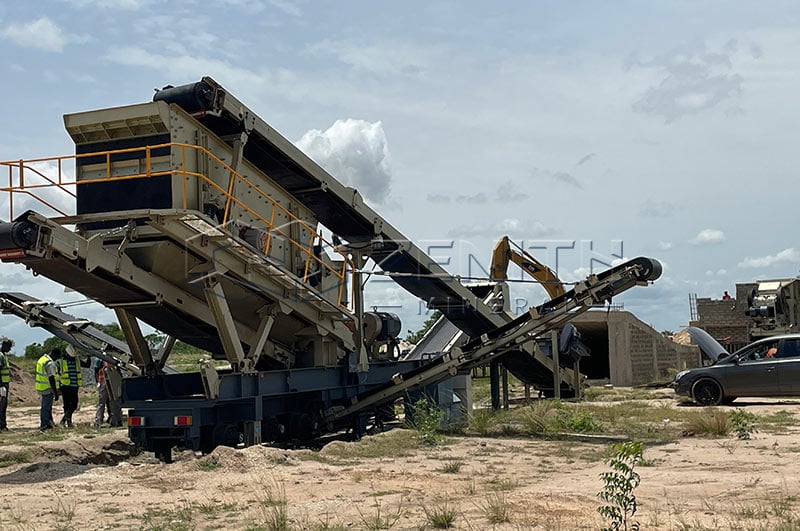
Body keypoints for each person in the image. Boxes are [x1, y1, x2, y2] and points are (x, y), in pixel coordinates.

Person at [58, 346, 86, 428]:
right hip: (65, 386)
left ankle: (64, 420)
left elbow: (87, 365)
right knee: (66, 405)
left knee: (74, 404)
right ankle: (68, 422)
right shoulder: (61, 362)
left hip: (74, 385)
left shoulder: (76, 360)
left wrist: (86, 356)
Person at [35, 348, 62, 431]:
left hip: (41, 386)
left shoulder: (42, 359)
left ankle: (49, 423)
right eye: (57, 357)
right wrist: (56, 392)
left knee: (47, 407)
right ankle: (44, 425)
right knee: (46, 407)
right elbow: (51, 378)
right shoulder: (49, 363)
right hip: (47, 387)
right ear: (54, 355)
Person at [94, 359, 122, 428]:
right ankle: (99, 421)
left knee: (114, 401)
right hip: (103, 381)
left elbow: (118, 370)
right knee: (102, 402)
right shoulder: (100, 359)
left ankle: (116, 420)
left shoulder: (115, 359)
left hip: (113, 381)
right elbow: (96, 371)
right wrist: (97, 381)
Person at [0, 339, 12, 431]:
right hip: (2, 384)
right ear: (4, 345)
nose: (10, 349)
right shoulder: (0, 356)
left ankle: (3, 425)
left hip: (5, 383)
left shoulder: (4, 355)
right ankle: (2, 426)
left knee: (4, 405)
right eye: (9, 347)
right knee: (2, 405)